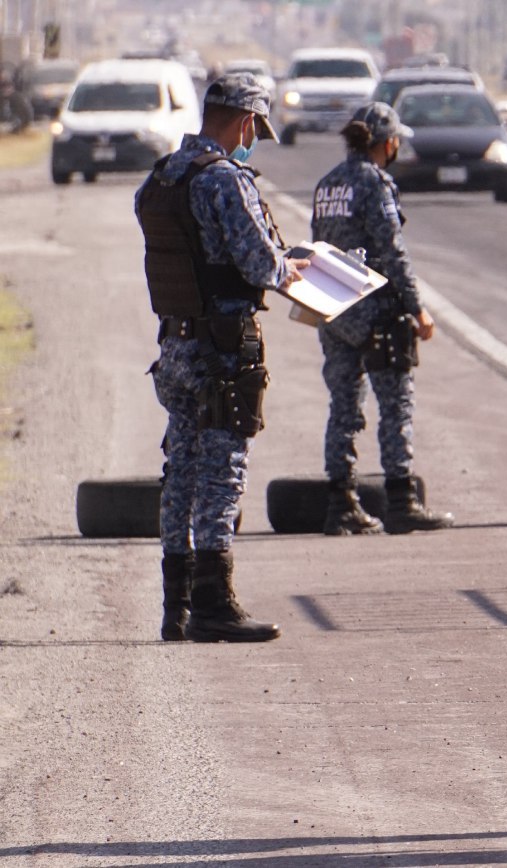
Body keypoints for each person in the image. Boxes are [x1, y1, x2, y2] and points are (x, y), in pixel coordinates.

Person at [136, 73, 309, 643]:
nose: (251, 139)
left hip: (175, 347)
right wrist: (292, 269)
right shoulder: (224, 182)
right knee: (222, 473)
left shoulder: (162, 177)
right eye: (254, 129)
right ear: (243, 122)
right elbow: (261, 265)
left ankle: (176, 607)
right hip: (221, 350)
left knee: (180, 471)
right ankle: (215, 602)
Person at [310, 102, 453, 536]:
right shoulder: (375, 184)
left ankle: (341, 503)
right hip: (375, 312)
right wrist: (416, 308)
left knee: (343, 406)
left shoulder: (327, 184)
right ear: (387, 143)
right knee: (395, 405)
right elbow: (393, 253)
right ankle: (401, 501)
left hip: (332, 306)